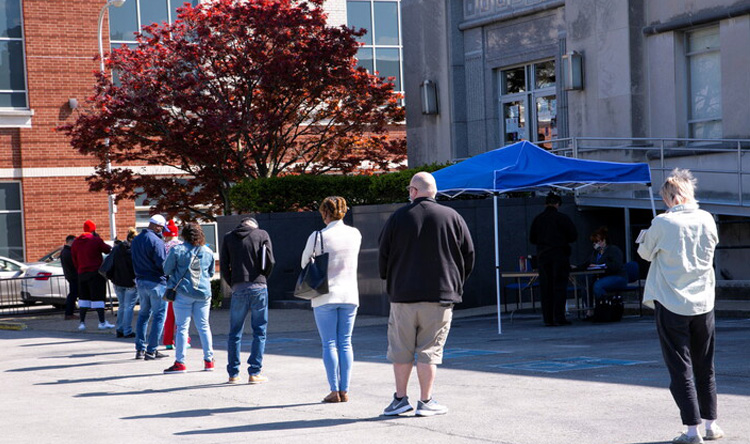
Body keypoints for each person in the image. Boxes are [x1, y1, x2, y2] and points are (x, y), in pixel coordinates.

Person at [378, 172, 475, 417]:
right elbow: (469, 254)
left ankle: (400, 399)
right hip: (440, 294)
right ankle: (426, 401)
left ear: (413, 191)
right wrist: (456, 282)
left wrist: (390, 279)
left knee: (401, 350)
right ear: (435, 191)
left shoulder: (398, 217)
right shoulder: (452, 216)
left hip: (403, 295)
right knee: (429, 351)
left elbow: (383, 254)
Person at [637, 169, 723, 444]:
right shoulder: (707, 219)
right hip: (703, 301)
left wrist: (647, 233)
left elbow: (644, 253)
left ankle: (691, 430)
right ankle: (711, 425)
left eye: (665, 198)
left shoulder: (663, 223)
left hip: (671, 300)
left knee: (680, 367)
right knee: (705, 365)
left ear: (673, 197)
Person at [301, 196, 362, 403]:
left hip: (325, 295)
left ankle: (334, 390)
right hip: (350, 294)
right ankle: (345, 390)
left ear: (325, 213)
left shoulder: (318, 236)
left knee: (329, 343)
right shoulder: (355, 234)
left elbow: (304, 263)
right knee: (346, 342)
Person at [221, 217, 275, 384]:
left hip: (238, 287)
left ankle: (233, 374)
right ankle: (254, 372)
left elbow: (224, 265)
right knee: (259, 331)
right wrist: (263, 278)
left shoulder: (228, 237)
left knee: (235, 333)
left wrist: (233, 283)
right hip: (259, 286)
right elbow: (270, 261)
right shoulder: (262, 234)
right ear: (254, 225)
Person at [162, 223, 216, 373]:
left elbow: (166, 269)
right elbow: (211, 273)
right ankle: (209, 361)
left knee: (182, 328)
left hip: (183, 293)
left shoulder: (177, 250)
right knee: (204, 327)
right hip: (203, 293)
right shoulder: (208, 251)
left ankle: (180, 362)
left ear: (183, 235)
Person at [529, 192, 578, 326]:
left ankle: (548, 318)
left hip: (543, 256)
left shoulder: (538, 219)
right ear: (558, 204)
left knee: (546, 287)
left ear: (545, 203)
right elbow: (573, 236)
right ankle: (559, 316)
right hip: (560, 255)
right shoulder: (563, 218)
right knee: (559, 287)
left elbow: (532, 239)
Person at [131, 215, 169, 361]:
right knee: (159, 316)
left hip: (141, 281)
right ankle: (152, 349)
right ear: (156, 226)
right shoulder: (156, 241)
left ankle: (140, 349)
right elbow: (162, 264)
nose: (162, 231)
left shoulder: (136, 239)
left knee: (143, 315)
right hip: (156, 282)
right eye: (161, 228)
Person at [70, 220, 114, 331]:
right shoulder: (96, 240)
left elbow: (74, 259)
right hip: (96, 273)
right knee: (98, 298)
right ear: (93, 230)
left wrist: (79, 269)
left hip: (82, 273)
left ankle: (82, 323)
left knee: (83, 299)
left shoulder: (75, 242)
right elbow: (108, 250)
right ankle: (102, 322)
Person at [579, 226, 627, 318]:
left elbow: (616, 265)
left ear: (604, 240)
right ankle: (590, 310)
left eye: (598, 241)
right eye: (594, 242)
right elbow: (587, 263)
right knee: (586, 285)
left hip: (617, 276)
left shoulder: (613, 250)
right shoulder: (595, 253)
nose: (596, 244)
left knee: (598, 285)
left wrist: (604, 265)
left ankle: (603, 308)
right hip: (602, 277)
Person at [161, 219, 187, 350]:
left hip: (168, 283)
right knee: (183, 314)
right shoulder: (183, 246)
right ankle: (184, 340)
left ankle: (168, 341)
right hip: (183, 284)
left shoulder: (163, 246)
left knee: (169, 314)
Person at [109, 227, 138, 338]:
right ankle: (127, 330)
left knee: (122, 306)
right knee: (128, 307)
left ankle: (119, 329)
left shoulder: (117, 249)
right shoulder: (134, 251)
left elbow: (110, 263)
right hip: (131, 282)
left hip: (118, 281)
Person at [60, 235, 79, 320]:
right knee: (73, 294)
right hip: (73, 276)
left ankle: (69, 312)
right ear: (71, 241)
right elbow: (73, 264)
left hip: (70, 275)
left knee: (73, 294)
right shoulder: (68, 252)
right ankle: (69, 313)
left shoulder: (65, 251)